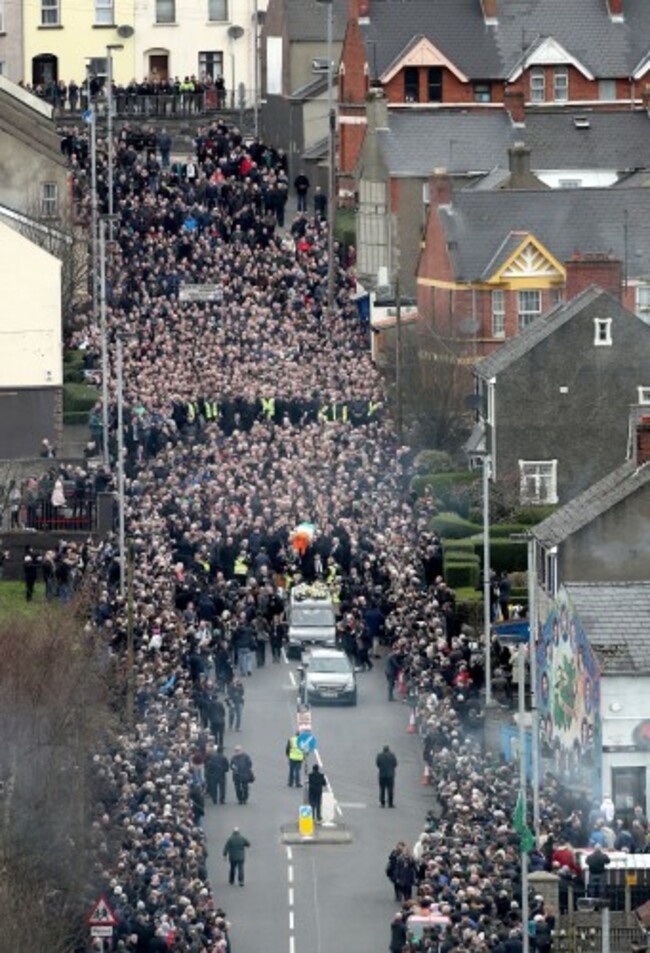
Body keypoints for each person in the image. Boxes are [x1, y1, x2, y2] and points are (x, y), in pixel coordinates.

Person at [376, 744, 398, 808]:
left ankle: (382, 803)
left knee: (382, 789)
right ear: (389, 749)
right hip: (390, 775)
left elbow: (377, 764)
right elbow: (395, 764)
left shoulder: (379, 755)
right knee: (390, 789)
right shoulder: (392, 755)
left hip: (382, 775)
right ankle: (390, 803)